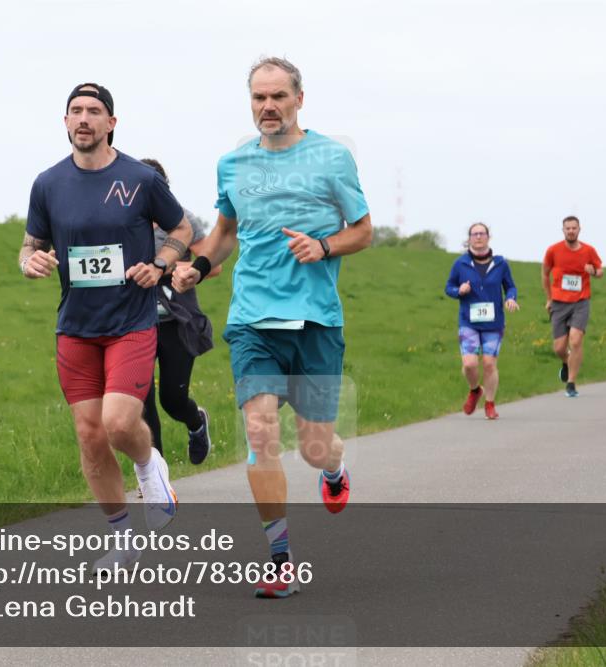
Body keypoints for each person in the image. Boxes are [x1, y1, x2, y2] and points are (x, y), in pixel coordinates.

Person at [173, 57, 372, 598]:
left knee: (314, 446)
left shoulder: (332, 157)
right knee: (260, 436)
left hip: (315, 320)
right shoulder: (232, 164)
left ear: (299, 99)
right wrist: (198, 266)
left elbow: (363, 231)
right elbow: (223, 234)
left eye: (278, 96)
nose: (268, 107)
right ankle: (280, 559)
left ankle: (334, 470)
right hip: (253, 320)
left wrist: (325, 245)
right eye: (259, 97)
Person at [19, 83, 193, 571]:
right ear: (65, 121)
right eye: (75, 111)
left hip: (130, 322)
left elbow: (182, 229)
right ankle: (122, 537)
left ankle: (148, 464)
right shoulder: (48, 183)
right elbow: (29, 243)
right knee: (89, 436)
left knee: (118, 424)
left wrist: (159, 265)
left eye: (94, 111)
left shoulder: (139, 178)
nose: (84, 119)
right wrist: (29, 263)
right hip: (75, 327)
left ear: (111, 123)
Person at [139, 158, 220, 465]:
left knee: (171, 400)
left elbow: (214, 264)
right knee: (142, 402)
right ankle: (155, 478)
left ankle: (196, 422)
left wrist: (169, 266)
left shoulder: (183, 220)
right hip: (135, 323)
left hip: (175, 322)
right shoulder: (124, 222)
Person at [445, 223, 519, 419]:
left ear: (488, 237)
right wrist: (459, 291)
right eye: (474, 234)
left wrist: (511, 298)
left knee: (488, 364)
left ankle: (490, 403)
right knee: (469, 364)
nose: (478, 237)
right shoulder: (460, 264)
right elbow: (448, 287)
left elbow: (510, 287)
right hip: (468, 321)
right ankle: (475, 390)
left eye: (482, 233)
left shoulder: (500, 263)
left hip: (493, 323)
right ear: (469, 238)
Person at [542, 216, 603, 397]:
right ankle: (567, 362)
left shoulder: (589, 250)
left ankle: (571, 383)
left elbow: (600, 271)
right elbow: (545, 274)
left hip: (580, 301)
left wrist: (594, 271)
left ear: (579, 229)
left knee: (575, 340)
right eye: (567, 228)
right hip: (559, 302)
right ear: (563, 230)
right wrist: (549, 298)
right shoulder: (553, 250)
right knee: (559, 348)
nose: (570, 231)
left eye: (573, 228)